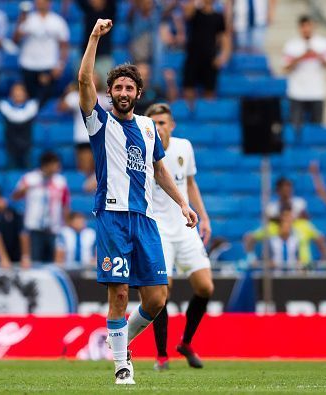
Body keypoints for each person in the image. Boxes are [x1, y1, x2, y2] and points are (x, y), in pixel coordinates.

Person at [78, 18, 198, 385]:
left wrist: (182, 203)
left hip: (145, 219)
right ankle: (121, 367)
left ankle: (121, 342)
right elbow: (84, 81)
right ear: (110, 92)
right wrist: (95, 37)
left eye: (129, 87)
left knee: (158, 299)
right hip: (112, 216)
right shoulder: (99, 122)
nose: (124, 92)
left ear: (138, 92)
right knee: (119, 292)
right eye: (117, 87)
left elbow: (160, 170)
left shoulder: (148, 127)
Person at [145, 103, 214, 371]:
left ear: (171, 125)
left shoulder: (184, 146)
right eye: (155, 123)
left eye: (163, 122)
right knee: (162, 293)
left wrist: (204, 217)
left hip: (185, 227)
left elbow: (191, 183)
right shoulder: (142, 150)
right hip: (158, 229)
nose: (159, 127)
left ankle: (185, 342)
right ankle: (161, 355)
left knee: (205, 287)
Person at [12, 151, 70, 264]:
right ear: (46, 165)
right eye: (55, 165)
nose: (57, 168)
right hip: (34, 228)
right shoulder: (30, 178)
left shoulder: (60, 182)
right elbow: (15, 197)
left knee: (53, 263)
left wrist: (65, 224)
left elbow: (65, 204)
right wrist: (24, 189)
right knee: (35, 262)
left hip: (53, 228)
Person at [283, 15, 326, 131]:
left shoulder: (323, 43)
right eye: (303, 26)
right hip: (297, 92)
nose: (306, 29)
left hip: (317, 92)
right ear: (299, 28)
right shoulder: (292, 45)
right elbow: (285, 67)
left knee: (316, 128)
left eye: (309, 26)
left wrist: (317, 56)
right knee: (295, 129)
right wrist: (301, 57)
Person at [0, 75, 46, 169]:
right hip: (11, 149)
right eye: (15, 92)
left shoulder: (31, 107)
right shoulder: (6, 107)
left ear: (26, 94)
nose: (18, 94)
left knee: (28, 173)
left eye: (20, 92)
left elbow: (43, 98)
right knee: (11, 173)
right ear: (11, 95)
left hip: (27, 148)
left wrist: (44, 86)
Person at [13, 0, 69, 99]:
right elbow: (15, 41)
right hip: (28, 65)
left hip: (48, 65)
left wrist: (60, 65)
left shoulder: (57, 21)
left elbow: (64, 45)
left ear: (49, 3)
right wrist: (20, 22)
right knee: (30, 99)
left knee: (45, 99)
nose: (41, 3)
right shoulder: (28, 19)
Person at [245, 206, 326, 268]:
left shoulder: (304, 225)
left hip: (304, 268)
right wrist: (251, 257)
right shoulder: (271, 227)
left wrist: (323, 262)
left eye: (289, 215)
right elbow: (249, 238)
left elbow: (321, 240)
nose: (287, 219)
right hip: (276, 269)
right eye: (284, 216)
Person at [57, 79, 110, 176]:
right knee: (84, 172)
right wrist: (67, 92)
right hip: (83, 137)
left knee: (100, 172)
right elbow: (61, 108)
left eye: (95, 77)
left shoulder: (104, 97)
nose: (93, 80)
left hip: (102, 138)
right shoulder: (75, 96)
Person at [182, 0, 231, 101]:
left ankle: (209, 116)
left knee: (210, 93)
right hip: (192, 58)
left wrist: (223, 56)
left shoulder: (218, 16)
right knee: (188, 91)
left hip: (210, 60)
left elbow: (225, 38)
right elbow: (187, 13)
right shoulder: (195, 12)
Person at [0, 185, 30, 269]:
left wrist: (25, 256)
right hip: (3, 259)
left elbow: (23, 234)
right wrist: (3, 258)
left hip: (18, 255)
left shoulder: (14, 210)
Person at [72, 0, 116, 79]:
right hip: (86, 53)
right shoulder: (88, 9)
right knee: (80, 82)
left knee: (107, 83)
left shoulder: (110, 10)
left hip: (104, 55)